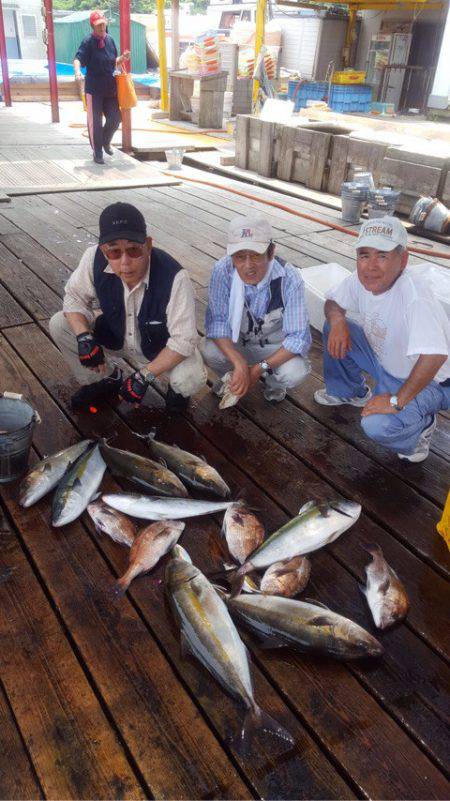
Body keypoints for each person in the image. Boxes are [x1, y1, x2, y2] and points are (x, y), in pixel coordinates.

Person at [314, 216, 450, 463]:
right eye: (364, 255)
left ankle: (420, 427)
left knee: (377, 426)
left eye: (382, 255)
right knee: (333, 325)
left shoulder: (414, 296)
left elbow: (435, 356)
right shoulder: (361, 278)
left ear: (403, 260)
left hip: (434, 381)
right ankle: (349, 391)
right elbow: (333, 302)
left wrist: (397, 401)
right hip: (386, 360)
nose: (371, 266)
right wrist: (337, 322)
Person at [49, 202, 207, 411]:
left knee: (190, 377)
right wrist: (84, 337)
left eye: (133, 250)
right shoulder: (92, 257)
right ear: (103, 251)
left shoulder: (175, 277)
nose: (125, 262)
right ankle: (105, 379)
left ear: (148, 245)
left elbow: (184, 339)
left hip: (159, 349)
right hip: (115, 336)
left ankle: (175, 391)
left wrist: (145, 375)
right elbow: (74, 298)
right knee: (60, 324)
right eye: (114, 252)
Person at [201, 215, 311, 404]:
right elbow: (217, 323)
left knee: (295, 371)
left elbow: (298, 338)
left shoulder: (290, 278)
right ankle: (231, 378)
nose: (248, 265)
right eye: (240, 256)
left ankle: (274, 383)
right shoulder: (222, 270)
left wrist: (257, 370)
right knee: (209, 350)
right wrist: (238, 361)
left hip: (273, 346)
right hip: (238, 342)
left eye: (256, 255)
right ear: (231, 256)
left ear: (271, 252)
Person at [73, 10, 130, 165]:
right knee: (95, 122)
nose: (102, 27)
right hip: (94, 89)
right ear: (93, 26)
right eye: (98, 25)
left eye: (103, 24)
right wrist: (78, 72)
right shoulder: (88, 42)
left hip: (110, 88)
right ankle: (97, 151)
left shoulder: (110, 40)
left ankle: (105, 141)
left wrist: (122, 59)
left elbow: (113, 61)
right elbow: (78, 59)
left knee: (115, 118)